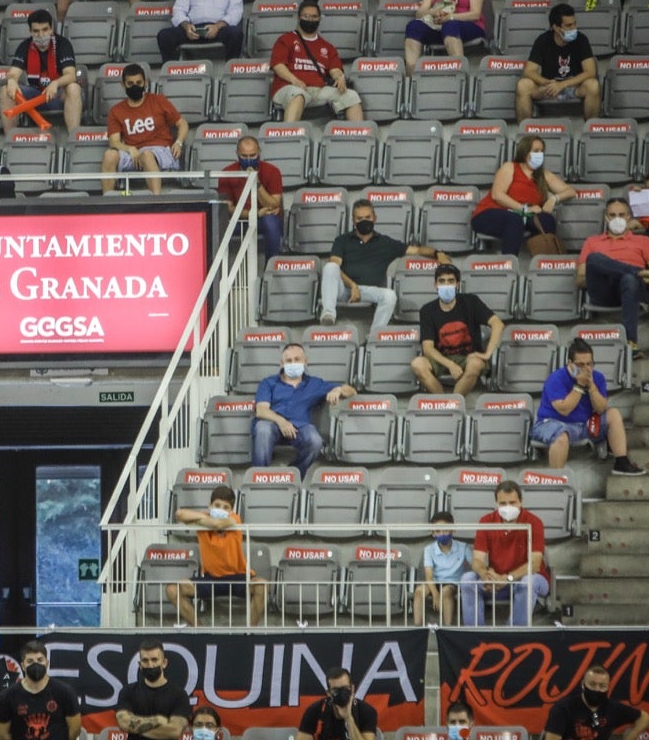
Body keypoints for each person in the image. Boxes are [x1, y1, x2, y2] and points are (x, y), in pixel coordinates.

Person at [323, 200, 450, 330]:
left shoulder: (386, 243)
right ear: (353, 221)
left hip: (369, 291)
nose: (364, 221)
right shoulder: (342, 240)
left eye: (368, 217)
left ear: (375, 218)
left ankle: (375, 335)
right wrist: (352, 285)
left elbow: (417, 250)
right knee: (330, 267)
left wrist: (438, 253)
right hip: (343, 289)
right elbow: (334, 267)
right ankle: (328, 314)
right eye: (359, 218)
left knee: (390, 296)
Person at [532, 338, 646, 474]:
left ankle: (621, 462)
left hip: (583, 424)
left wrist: (592, 388)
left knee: (613, 414)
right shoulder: (556, 378)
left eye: (589, 364)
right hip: (552, 423)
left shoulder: (597, 377)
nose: (586, 369)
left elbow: (601, 408)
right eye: (580, 364)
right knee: (561, 436)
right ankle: (556, 480)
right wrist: (579, 386)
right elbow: (564, 409)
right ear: (569, 363)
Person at [165, 484, 267, 626]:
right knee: (172, 589)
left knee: (262, 585)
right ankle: (201, 631)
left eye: (226, 507)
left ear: (231, 510)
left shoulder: (235, 519)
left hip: (238, 577)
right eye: (217, 505)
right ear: (210, 506)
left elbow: (219, 525)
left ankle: (250, 632)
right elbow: (179, 514)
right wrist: (205, 516)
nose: (221, 509)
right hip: (210, 579)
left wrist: (200, 520)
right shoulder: (205, 518)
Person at [577, 198, 649, 359]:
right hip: (604, 291)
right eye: (612, 215)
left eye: (621, 215)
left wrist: (633, 276)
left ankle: (630, 343)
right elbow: (580, 280)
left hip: (632, 289)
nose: (617, 218)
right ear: (606, 218)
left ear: (629, 217)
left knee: (629, 279)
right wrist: (604, 272)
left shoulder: (643, 241)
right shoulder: (592, 242)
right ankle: (637, 272)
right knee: (594, 258)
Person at [532, 665, 649, 740]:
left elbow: (646, 718)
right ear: (583, 684)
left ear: (608, 687)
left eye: (602, 686)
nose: (597, 689)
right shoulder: (564, 707)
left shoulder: (612, 708)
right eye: (593, 684)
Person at [253, 343, 356, 478]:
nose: (293, 363)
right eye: (289, 361)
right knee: (262, 429)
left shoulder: (315, 384)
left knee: (315, 441)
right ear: (281, 364)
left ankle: (292, 475)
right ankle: (260, 478)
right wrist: (281, 422)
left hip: (300, 427)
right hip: (273, 425)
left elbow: (352, 391)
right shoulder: (268, 383)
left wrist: (338, 390)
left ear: (305, 361)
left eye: (297, 359)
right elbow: (261, 410)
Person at [457, 480, 549, 626]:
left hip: (530, 578)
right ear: (496, 503)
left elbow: (535, 564)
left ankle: (513, 634)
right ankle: (475, 634)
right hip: (498, 580)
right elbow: (477, 560)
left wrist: (506, 579)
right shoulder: (486, 521)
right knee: (467, 580)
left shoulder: (534, 522)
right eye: (503, 503)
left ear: (521, 501)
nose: (508, 507)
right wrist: (485, 575)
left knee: (527, 583)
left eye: (512, 503)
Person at [470, 136, 576, 256]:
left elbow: (570, 191)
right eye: (536, 151)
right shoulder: (510, 167)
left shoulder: (543, 175)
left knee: (547, 220)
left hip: (522, 217)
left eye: (542, 151)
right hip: (490, 213)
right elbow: (497, 195)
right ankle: (509, 263)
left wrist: (554, 199)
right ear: (525, 152)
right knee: (514, 219)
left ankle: (543, 261)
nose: (540, 155)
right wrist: (524, 209)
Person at [0, 640, 82, 740]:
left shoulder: (64, 692)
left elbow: (75, 728)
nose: (36, 664)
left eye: (40, 660)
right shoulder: (8, 696)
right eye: (30, 661)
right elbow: (1, 732)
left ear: (47, 663)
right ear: (23, 665)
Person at [410, 263, 504, 396]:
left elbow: (497, 324)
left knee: (476, 364)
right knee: (417, 364)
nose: (446, 285)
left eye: (450, 281)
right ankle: (442, 401)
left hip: (469, 357)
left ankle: (454, 403)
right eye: (442, 281)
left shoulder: (471, 302)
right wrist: (450, 364)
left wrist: (487, 354)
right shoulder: (427, 310)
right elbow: (428, 348)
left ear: (457, 284)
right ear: (435, 285)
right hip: (441, 358)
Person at [101, 63, 187, 196]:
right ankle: (107, 201)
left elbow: (182, 123)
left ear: (145, 83)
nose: (135, 86)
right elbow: (114, 141)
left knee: (146, 154)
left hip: (161, 150)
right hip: (133, 153)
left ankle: (156, 202)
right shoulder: (116, 110)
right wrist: (130, 149)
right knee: (109, 155)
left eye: (138, 83)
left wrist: (179, 142)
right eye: (130, 83)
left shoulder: (158, 100)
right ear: (123, 85)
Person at [271, 1, 364, 122]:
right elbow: (278, 65)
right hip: (289, 87)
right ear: (299, 17)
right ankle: (289, 132)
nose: (310, 19)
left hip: (318, 90)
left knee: (351, 96)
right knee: (297, 94)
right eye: (306, 16)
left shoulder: (327, 46)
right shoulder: (285, 40)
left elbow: (335, 69)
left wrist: (339, 77)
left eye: (314, 17)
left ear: (319, 19)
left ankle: (357, 131)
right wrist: (294, 80)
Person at [113, 640, 190, 740]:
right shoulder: (128, 691)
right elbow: (124, 723)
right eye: (145, 660)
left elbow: (175, 731)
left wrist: (136, 727)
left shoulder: (179, 695)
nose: (150, 665)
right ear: (140, 664)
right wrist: (157, 721)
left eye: (154, 660)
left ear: (164, 663)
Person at [283, 667, 378, 740]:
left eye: (344, 689)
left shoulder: (366, 711)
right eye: (336, 691)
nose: (341, 694)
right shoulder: (315, 710)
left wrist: (348, 718)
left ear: (352, 688)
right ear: (328, 693)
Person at [2, 9, 81, 135]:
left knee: (73, 88)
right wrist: (11, 80)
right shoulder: (25, 46)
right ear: (30, 31)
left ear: (51, 29)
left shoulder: (63, 44)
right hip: (36, 94)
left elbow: (71, 75)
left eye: (45, 29)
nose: (41, 35)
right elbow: (14, 73)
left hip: (58, 94)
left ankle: (73, 137)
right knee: (6, 90)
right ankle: (10, 138)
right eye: (36, 31)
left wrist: (55, 83)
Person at [217, 136, 283, 259]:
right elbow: (228, 208)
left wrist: (256, 183)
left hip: (264, 219)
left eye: (252, 156)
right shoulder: (227, 172)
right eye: (244, 156)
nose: (248, 160)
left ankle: (270, 266)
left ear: (259, 152)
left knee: (271, 222)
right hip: (239, 220)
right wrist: (255, 213)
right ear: (237, 154)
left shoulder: (273, 171)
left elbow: (273, 205)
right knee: (217, 226)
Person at [412, 512, 472, 627]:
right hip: (434, 582)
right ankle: (417, 628)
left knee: (446, 591)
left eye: (445, 530)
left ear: (453, 530)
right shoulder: (429, 550)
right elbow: (429, 577)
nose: (442, 534)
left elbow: (475, 564)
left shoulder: (463, 547)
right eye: (438, 531)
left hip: (453, 583)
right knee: (419, 591)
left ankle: (447, 628)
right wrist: (435, 595)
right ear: (433, 533)